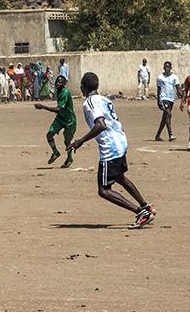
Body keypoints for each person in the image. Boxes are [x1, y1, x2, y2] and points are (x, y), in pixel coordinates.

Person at [68, 72, 154, 228]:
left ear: (83, 87)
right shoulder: (105, 99)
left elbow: (101, 125)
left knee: (104, 190)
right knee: (119, 177)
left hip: (110, 147)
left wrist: (80, 141)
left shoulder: (90, 102)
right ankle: (146, 206)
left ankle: (140, 212)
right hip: (120, 141)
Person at [35, 74, 76, 168]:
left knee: (67, 141)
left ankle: (69, 158)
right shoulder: (57, 91)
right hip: (60, 118)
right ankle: (55, 152)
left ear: (64, 84)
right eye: (57, 82)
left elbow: (59, 109)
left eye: (60, 82)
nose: (58, 84)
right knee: (49, 134)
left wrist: (43, 107)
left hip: (69, 120)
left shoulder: (65, 93)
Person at [154, 61, 180, 141]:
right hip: (163, 98)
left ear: (171, 68)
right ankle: (170, 134)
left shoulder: (174, 77)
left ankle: (157, 135)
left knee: (165, 118)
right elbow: (158, 89)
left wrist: (181, 93)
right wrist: (158, 100)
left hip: (171, 99)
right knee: (168, 114)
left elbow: (177, 88)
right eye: (165, 67)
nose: (166, 69)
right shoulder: (160, 77)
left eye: (168, 67)